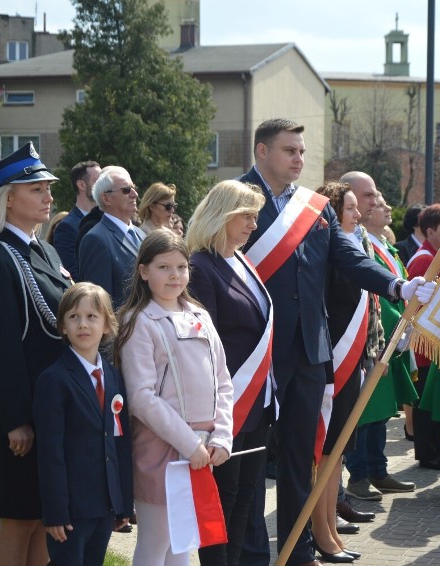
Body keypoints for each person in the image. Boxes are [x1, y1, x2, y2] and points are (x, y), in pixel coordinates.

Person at [238, 118, 434, 566]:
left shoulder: (312, 206)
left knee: (302, 456)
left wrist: (397, 286)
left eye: (303, 151)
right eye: (290, 150)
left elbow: (344, 255)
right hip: (255, 352)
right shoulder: (235, 197)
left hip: (309, 350)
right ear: (262, 151)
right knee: (249, 464)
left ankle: (298, 549)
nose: (300, 159)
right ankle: (249, 555)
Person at [0, 142, 68, 566]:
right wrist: (16, 420)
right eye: (36, 189)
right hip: (21, 412)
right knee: (19, 519)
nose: (48, 196)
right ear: (8, 198)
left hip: (52, 406)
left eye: (48, 187)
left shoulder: (43, 249)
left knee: (45, 517)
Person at [115, 230, 233, 565]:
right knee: (156, 543)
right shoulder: (138, 321)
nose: (174, 275)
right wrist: (188, 443)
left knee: (182, 543)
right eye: (164, 267)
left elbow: (223, 380)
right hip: (162, 448)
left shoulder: (200, 315)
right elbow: (141, 397)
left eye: (181, 267)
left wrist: (222, 436)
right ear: (143, 271)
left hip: (202, 447)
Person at [186, 180, 273, 566]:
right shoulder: (200, 266)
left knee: (246, 498)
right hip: (227, 404)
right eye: (248, 216)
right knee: (223, 500)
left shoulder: (240, 259)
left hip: (256, 402)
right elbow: (206, 346)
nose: (254, 225)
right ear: (223, 214)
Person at [34, 283, 133, 566]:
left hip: (104, 506)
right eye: (74, 317)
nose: (83, 325)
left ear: (106, 325)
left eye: (92, 317)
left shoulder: (113, 376)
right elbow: (50, 452)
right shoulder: (54, 380)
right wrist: (55, 512)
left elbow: (119, 442)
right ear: (63, 326)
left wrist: (123, 501)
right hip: (71, 509)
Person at [340, 176, 417, 503]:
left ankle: (377, 468)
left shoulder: (374, 241)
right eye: (367, 195)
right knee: (364, 411)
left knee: (381, 409)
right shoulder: (346, 239)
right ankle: (359, 475)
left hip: (382, 334)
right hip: (365, 337)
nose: (376, 200)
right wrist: (394, 324)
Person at [310, 181, 374, 563]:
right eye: (348, 207)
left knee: (337, 451)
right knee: (325, 450)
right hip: (331, 361)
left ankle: (330, 525)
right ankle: (320, 530)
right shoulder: (331, 256)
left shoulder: (353, 248)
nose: (356, 213)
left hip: (352, 362)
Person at [406, 204, 440, 472]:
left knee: (432, 404)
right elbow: (417, 304)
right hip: (425, 345)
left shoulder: (437, 256)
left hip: (435, 342)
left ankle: (436, 448)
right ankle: (428, 453)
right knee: (425, 406)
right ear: (430, 231)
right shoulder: (425, 260)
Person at [78, 166, 142, 308]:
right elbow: (99, 305)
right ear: (106, 198)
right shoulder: (96, 239)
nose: (135, 194)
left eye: (134, 187)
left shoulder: (141, 234)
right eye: (126, 190)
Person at [53, 161, 101, 277]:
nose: (103, 186)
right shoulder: (67, 227)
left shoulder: (105, 220)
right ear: (81, 185)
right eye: (98, 181)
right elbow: (71, 276)